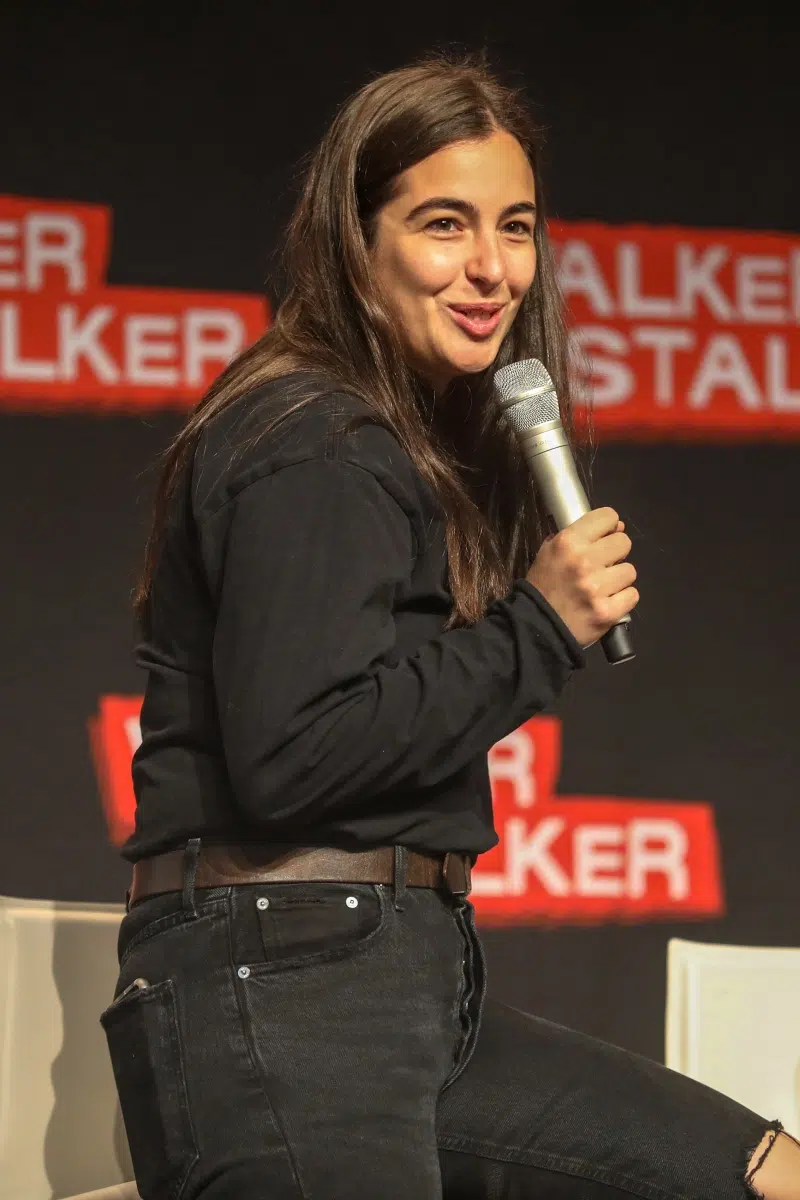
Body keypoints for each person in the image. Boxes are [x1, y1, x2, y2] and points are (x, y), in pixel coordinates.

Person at [102, 53, 800, 1200]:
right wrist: (539, 626)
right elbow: (293, 757)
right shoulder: (313, 439)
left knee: (757, 1176)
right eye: (442, 224)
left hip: (403, 981)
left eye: (513, 227)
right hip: (284, 985)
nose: (489, 267)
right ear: (354, 240)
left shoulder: (378, 439)